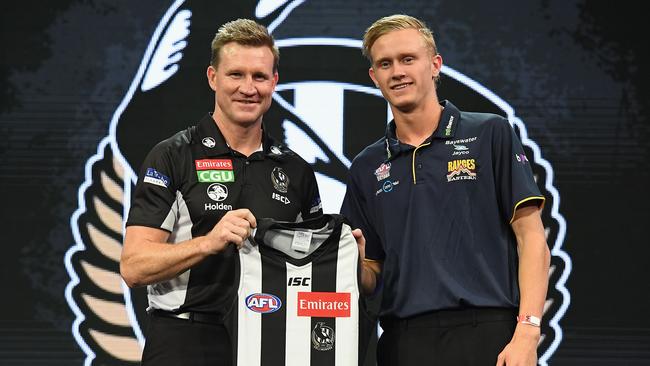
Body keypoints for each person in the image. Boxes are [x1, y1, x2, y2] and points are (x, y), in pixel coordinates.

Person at [340, 14, 551, 366]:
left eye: (408, 59)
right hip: (402, 341)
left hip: (488, 333)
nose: (398, 72)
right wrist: (352, 263)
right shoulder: (366, 165)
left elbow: (532, 238)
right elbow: (372, 275)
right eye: (385, 64)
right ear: (374, 77)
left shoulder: (490, 134)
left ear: (435, 65)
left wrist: (528, 331)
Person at [120, 18, 323, 366]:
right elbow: (134, 267)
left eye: (259, 77)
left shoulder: (296, 171)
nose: (249, 88)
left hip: (272, 340)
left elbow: (315, 273)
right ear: (213, 77)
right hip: (185, 340)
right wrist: (208, 242)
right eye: (236, 75)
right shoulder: (173, 155)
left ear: (274, 82)